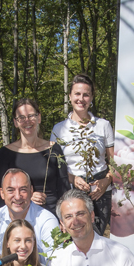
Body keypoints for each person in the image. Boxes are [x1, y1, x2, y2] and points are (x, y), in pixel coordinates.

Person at [50, 74, 115, 234]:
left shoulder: (103, 125)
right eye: (77, 94)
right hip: (71, 193)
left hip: (99, 195)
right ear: (70, 96)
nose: (81, 98)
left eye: (86, 94)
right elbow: (54, 166)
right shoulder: (58, 129)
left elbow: (114, 162)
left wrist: (105, 182)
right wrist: (73, 179)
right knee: (74, 240)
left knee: (97, 240)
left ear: (91, 97)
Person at [0, 99, 70, 214]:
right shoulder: (6, 153)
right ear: (15, 122)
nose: (27, 121)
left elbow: (64, 188)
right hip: (19, 216)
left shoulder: (54, 150)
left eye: (31, 116)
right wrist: (27, 196)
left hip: (51, 215)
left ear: (39, 118)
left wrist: (64, 217)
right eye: (21, 117)